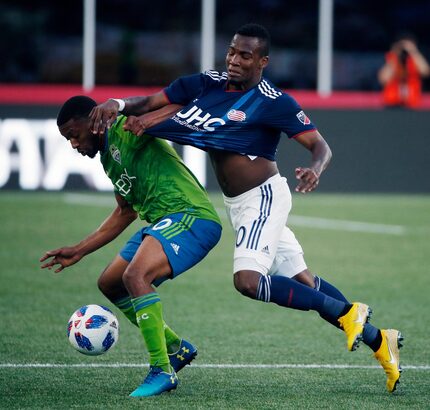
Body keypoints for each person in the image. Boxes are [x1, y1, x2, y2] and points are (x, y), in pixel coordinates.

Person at [90, 24, 403, 393]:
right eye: (232, 52)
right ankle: (380, 340)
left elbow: (321, 146)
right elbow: (152, 103)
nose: (234, 60)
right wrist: (119, 105)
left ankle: (351, 313)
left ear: (263, 61)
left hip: (264, 198)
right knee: (304, 282)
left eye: (245, 55)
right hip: (239, 206)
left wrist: (314, 170)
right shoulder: (206, 84)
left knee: (248, 282)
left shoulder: (273, 102)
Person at [39, 96, 222, 397]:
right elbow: (125, 211)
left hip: (190, 216)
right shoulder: (108, 159)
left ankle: (162, 369)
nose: (73, 144)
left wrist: (121, 106)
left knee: (135, 277)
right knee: (110, 283)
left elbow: (173, 104)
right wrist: (80, 249)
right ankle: (175, 348)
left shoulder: (128, 127)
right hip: (161, 222)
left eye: (74, 134)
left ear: (94, 120)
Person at [378, 33, 430, 108]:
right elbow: (383, 79)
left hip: (412, 104)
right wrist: (395, 54)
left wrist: (413, 51)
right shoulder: (391, 59)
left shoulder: (416, 60)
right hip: (391, 104)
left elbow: (425, 71)